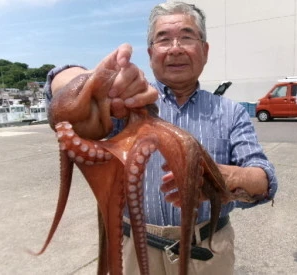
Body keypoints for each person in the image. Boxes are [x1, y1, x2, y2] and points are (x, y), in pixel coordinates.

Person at [45, 2, 277, 274]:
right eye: (163, 39)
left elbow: (265, 179)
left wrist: (222, 178)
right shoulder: (126, 104)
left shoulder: (231, 112)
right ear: (151, 53)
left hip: (208, 252)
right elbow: (57, 87)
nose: (175, 48)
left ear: (205, 50)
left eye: (187, 37)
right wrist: (89, 83)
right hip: (136, 249)